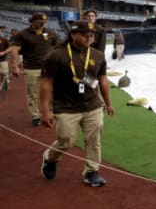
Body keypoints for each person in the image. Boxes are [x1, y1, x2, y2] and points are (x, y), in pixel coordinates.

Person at [38, 20, 115, 187]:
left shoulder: (97, 55)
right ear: (73, 35)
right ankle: (50, 158)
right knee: (67, 140)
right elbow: (46, 84)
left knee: (94, 140)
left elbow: (102, 81)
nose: (89, 37)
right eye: (85, 34)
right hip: (66, 106)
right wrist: (44, 111)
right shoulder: (56, 55)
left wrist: (108, 103)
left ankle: (91, 171)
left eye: (92, 35)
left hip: (92, 105)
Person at [9, 12, 60, 126]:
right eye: (40, 22)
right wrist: (14, 65)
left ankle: (51, 113)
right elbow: (15, 49)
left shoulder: (51, 33)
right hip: (31, 67)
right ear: (32, 21)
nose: (42, 24)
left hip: (49, 68)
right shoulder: (23, 34)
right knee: (32, 93)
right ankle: (35, 116)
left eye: (44, 22)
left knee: (52, 92)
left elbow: (59, 48)